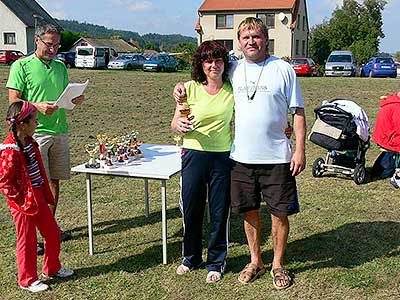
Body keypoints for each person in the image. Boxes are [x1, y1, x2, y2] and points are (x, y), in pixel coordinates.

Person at [173, 17, 306, 289]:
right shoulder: (232, 69)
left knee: (279, 213)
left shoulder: (283, 69)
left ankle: (278, 265)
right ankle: (255, 260)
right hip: (241, 158)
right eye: (245, 38)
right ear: (239, 42)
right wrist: (178, 88)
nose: (251, 42)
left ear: (265, 39)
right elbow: (205, 75)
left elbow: (298, 112)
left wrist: (300, 150)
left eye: (256, 37)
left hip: (278, 157)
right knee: (249, 211)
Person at [6, 23, 84, 243]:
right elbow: (14, 101)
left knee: (54, 183)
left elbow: (66, 97)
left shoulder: (60, 67)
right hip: (34, 134)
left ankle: (50, 229)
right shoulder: (21, 66)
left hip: (60, 131)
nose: (53, 49)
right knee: (35, 185)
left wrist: (76, 99)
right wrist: (37, 106)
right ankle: (35, 236)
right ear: (37, 41)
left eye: (57, 45)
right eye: (49, 44)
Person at [171, 40, 234, 283]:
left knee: (219, 211)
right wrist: (180, 125)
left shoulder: (232, 88)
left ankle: (216, 261)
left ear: (224, 63)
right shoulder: (189, 88)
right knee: (192, 208)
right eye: (208, 60)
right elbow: (175, 123)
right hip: (193, 154)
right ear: (201, 64)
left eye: (218, 60)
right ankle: (191, 257)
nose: (213, 65)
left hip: (222, 156)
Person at [0, 101, 73, 293]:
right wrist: (20, 200)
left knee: (53, 232)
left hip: (38, 195)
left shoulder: (30, 142)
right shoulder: (9, 150)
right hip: (22, 203)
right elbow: (5, 182)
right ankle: (27, 279)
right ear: (22, 124)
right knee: (27, 239)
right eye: (34, 121)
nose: (37, 124)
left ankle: (52, 267)